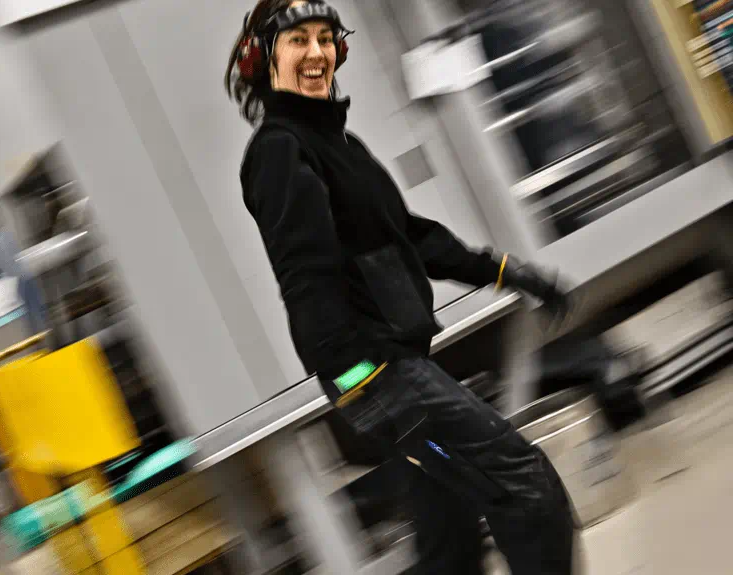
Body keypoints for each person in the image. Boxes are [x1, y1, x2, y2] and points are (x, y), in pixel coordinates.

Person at [224, 1, 578, 573]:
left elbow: (412, 237)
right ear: (263, 60)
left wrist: (506, 270)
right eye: (296, 41)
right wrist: (363, 383)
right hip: (378, 374)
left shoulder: (343, 148)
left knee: (450, 532)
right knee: (527, 487)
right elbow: (306, 279)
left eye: (324, 39)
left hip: (398, 364)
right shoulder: (278, 152)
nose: (316, 53)